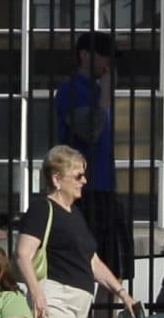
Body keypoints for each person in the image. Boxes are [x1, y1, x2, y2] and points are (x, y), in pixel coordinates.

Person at [15, 145, 140, 318]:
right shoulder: (42, 209)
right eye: (78, 176)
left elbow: (92, 262)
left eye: (84, 175)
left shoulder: (74, 215)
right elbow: (23, 254)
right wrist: (37, 294)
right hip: (54, 298)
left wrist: (122, 293)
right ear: (56, 179)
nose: (84, 181)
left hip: (77, 304)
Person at [55, 33, 129, 281]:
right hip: (82, 190)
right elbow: (89, 132)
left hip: (106, 188)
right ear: (84, 55)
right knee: (82, 268)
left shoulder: (97, 91)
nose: (109, 63)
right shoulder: (71, 90)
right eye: (104, 55)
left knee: (112, 271)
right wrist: (105, 96)